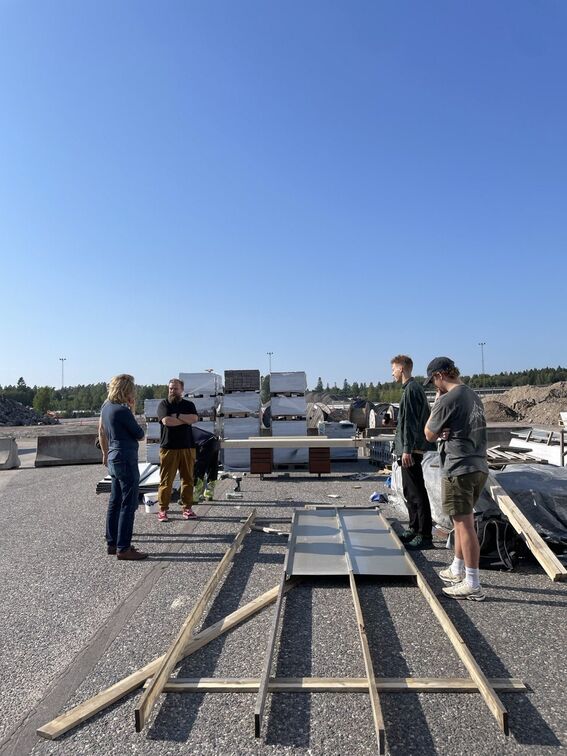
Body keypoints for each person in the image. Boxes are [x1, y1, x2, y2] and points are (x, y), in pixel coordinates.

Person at [424, 357, 488, 601]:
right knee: (463, 520)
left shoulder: (448, 398)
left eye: (433, 382)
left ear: (440, 375)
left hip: (458, 466)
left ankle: (472, 583)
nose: (433, 387)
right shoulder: (471, 394)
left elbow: (428, 433)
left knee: (464, 525)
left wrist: (437, 404)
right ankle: (457, 568)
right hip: (478, 464)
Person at [98, 374, 148, 560]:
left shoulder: (106, 408)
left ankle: (112, 543)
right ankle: (124, 547)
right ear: (126, 390)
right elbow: (139, 434)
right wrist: (132, 408)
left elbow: (102, 431)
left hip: (113, 457)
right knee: (128, 504)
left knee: (115, 501)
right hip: (125, 458)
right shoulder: (122, 410)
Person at [390, 354, 436, 549]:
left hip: (411, 450)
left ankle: (424, 535)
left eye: (393, 369)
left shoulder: (411, 390)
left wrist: (407, 449)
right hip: (408, 448)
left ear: (402, 368)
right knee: (410, 491)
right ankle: (413, 527)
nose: (392, 373)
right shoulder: (411, 389)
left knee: (417, 492)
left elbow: (410, 423)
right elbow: (406, 421)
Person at [157, 378, 199, 522]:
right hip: (169, 448)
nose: (172, 391)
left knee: (187, 479)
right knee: (166, 481)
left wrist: (178, 416)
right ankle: (163, 510)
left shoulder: (189, 404)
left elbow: (194, 419)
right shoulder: (164, 404)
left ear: (182, 390)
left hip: (187, 447)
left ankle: (187, 508)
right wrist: (183, 420)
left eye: (175, 388)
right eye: (170, 388)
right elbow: (166, 421)